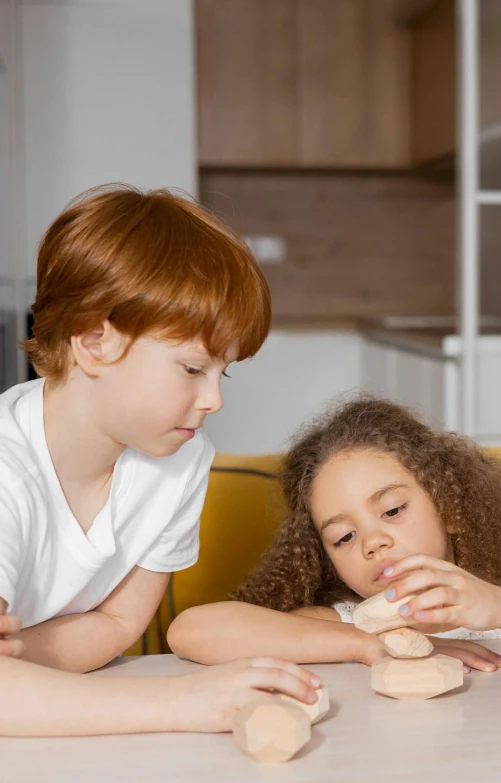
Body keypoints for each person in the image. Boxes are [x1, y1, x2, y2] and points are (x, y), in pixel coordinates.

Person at [0, 184, 319, 737]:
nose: (214, 400)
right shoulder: (8, 467)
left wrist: (19, 655)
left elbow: (120, 622)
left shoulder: (181, 460)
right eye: (193, 369)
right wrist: (186, 701)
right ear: (94, 340)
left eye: (224, 372)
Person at [169, 397, 501, 673]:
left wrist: (498, 605)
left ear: (451, 509)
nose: (373, 543)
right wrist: (367, 644)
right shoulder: (352, 621)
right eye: (344, 537)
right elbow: (191, 631)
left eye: (393, 511)